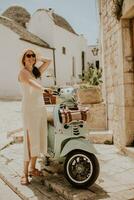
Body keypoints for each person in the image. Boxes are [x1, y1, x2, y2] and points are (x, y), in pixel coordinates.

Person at [18, 49, 52, 185]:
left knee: (38, 137)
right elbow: (32, 83)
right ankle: (24, 173)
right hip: (29, 110)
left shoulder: (36, 72)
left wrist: (38, 57)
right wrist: (44, 89)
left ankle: (32, 168)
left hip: (39, 108)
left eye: (33, 56)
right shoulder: (23, 73)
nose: (31, 58)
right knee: (29, 140)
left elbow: (49, 61)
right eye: (28, 55)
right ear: (23, 59)